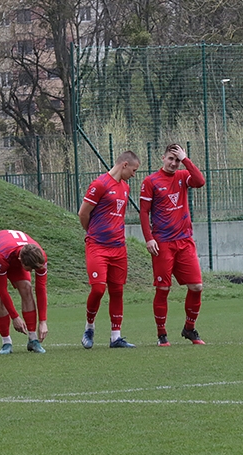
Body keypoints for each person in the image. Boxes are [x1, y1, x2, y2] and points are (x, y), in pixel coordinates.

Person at [139, 144, 207, 345]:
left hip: (185, 241)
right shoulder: (150, 181)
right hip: (163, 243)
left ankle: (189, 328)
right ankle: (162, 335)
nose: (173, 163)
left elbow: (200, 181)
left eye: (177, 160)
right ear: (163, 157)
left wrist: (186, 160)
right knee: (163, 288)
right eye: (171, 158)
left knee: (196, 286)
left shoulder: (183, 176)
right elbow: (144, 212)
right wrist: (149, 238)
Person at [78, 150, 141, 349]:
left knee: (117, 290)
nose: (134, 174)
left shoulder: (125, 188)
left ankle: (116, 337)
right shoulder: (99, 184)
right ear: (124, 165)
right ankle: (89, 328)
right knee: (98, 288)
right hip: (97, 246)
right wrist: (93, 233)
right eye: (133, 170)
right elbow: (83, 213)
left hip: (118, 248)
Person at [0, 229, 48, 354]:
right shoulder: (3, 256)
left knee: (27, 289)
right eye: (29, 269)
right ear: (20, 260)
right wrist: (15, 317)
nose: (32, 271)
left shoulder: (40, 257)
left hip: (13, 253)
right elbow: (2, 289)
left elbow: (41, 289)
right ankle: (6, 342)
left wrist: (43, 321)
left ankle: (33, 340)